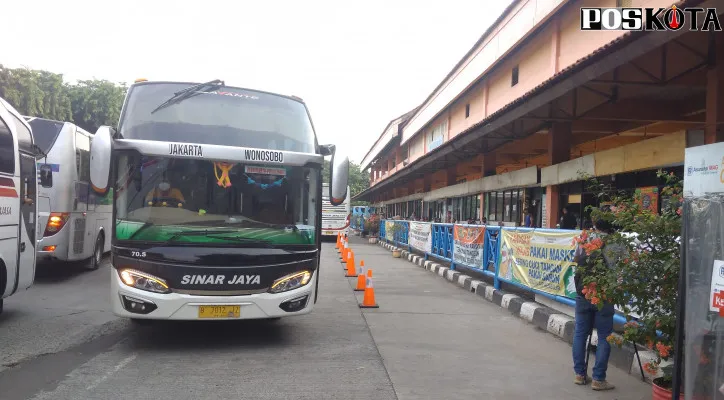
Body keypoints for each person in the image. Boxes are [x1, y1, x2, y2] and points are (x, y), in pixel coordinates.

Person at [571, 219, 623, 391]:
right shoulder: (615, 243)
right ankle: (598, 379)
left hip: (584, 291)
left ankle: (579, 374)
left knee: (580, 333)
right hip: (604, 294)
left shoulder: (584, 238)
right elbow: (621, 267)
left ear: (595, 225)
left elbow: (576, 259)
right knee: (604, 336)